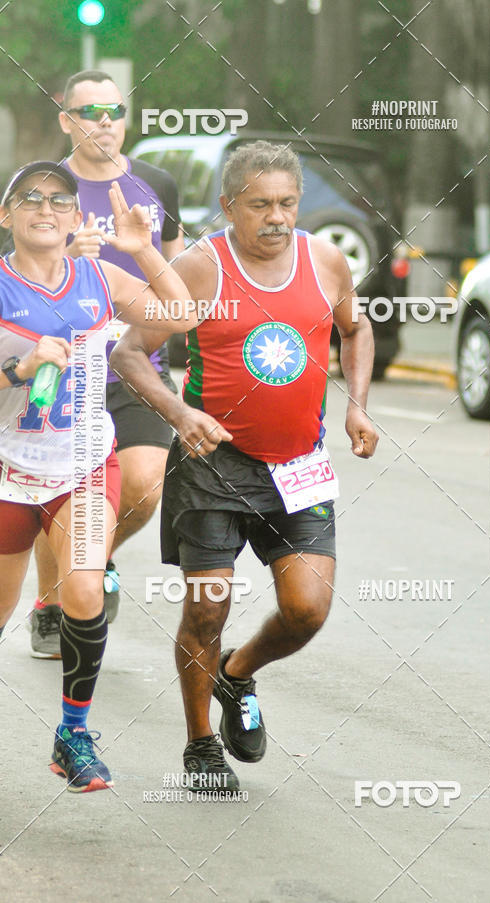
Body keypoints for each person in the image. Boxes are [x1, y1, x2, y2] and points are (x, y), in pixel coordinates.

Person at [111, 140, 379, 791]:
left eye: (287, 202)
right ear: (229, 206)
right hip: (213, 466)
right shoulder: (201, 268)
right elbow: (130, 352)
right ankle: (201, 744)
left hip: (299, 467)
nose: (277, 217)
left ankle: (236, 673)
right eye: (260, 205)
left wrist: (357, 406)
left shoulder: (326, 260)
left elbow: (356, 329)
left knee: (307, 610)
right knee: (207, 608)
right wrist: (179, 414)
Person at [0, 161, 193, 791]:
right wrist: (17, 370)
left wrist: (143, 250)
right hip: (7, 473)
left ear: (76, 218)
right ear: (6, 215)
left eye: (59, 200)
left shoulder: (99, 277)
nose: (45, 208)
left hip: (82, 466)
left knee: (84, 590)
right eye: (30, 198)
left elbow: (182, 314)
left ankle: (73, 735)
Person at [29, 69, 185, 657]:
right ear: (66, 121)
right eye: (90, 112)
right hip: (63, 365)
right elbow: (16, 279)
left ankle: (95, 560)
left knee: (144, 484)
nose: (104, 122)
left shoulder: (157, 184)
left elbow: (179, 274)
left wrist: (189, 352)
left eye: (114, 111)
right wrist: (63, 254)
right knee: (57, 492)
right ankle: (50, 605)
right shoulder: (43, 186)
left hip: (137, 361)